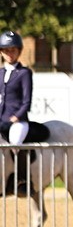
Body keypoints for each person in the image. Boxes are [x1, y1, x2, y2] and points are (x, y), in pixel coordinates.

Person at [1, 30, 34, 193]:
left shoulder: (24, 73)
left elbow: (26, 102)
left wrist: (16, 117)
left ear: (19, 52)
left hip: (18, 122)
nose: (9, 54)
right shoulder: (0, 73)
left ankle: (21, 180)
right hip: (1, 120)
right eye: (6, 51)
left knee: (15, 143)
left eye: (13, 50)